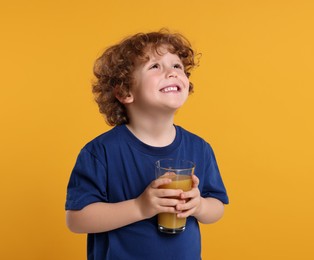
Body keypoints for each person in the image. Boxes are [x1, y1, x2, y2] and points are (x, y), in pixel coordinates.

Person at [65, 29, 229, 260]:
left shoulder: (200, 148)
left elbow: (217, 207)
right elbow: (77, 219)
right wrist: (141, 207)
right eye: (155, 66)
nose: (172, 73)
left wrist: (199, 205)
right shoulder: (100, 151)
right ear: (125, 91)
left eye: (177, 66)